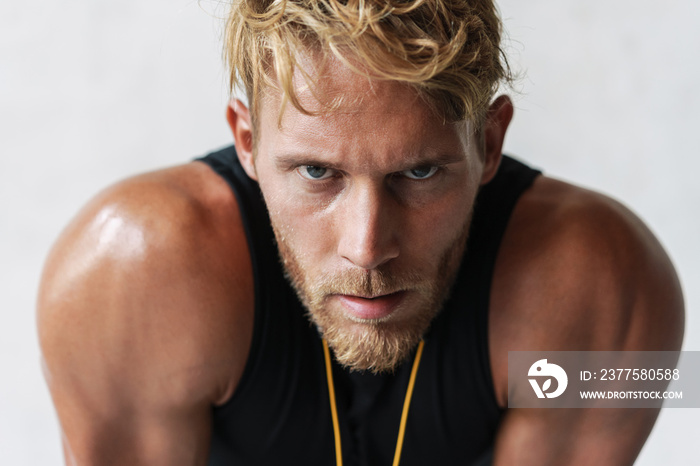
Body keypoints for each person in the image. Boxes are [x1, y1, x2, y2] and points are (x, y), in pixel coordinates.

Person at [37, 1, 684, 465]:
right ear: (247, 141)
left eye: (420, 171)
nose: (367, 246)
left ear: (489, 143)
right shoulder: (126, 280)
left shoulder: (612, 291)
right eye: (317, 172)